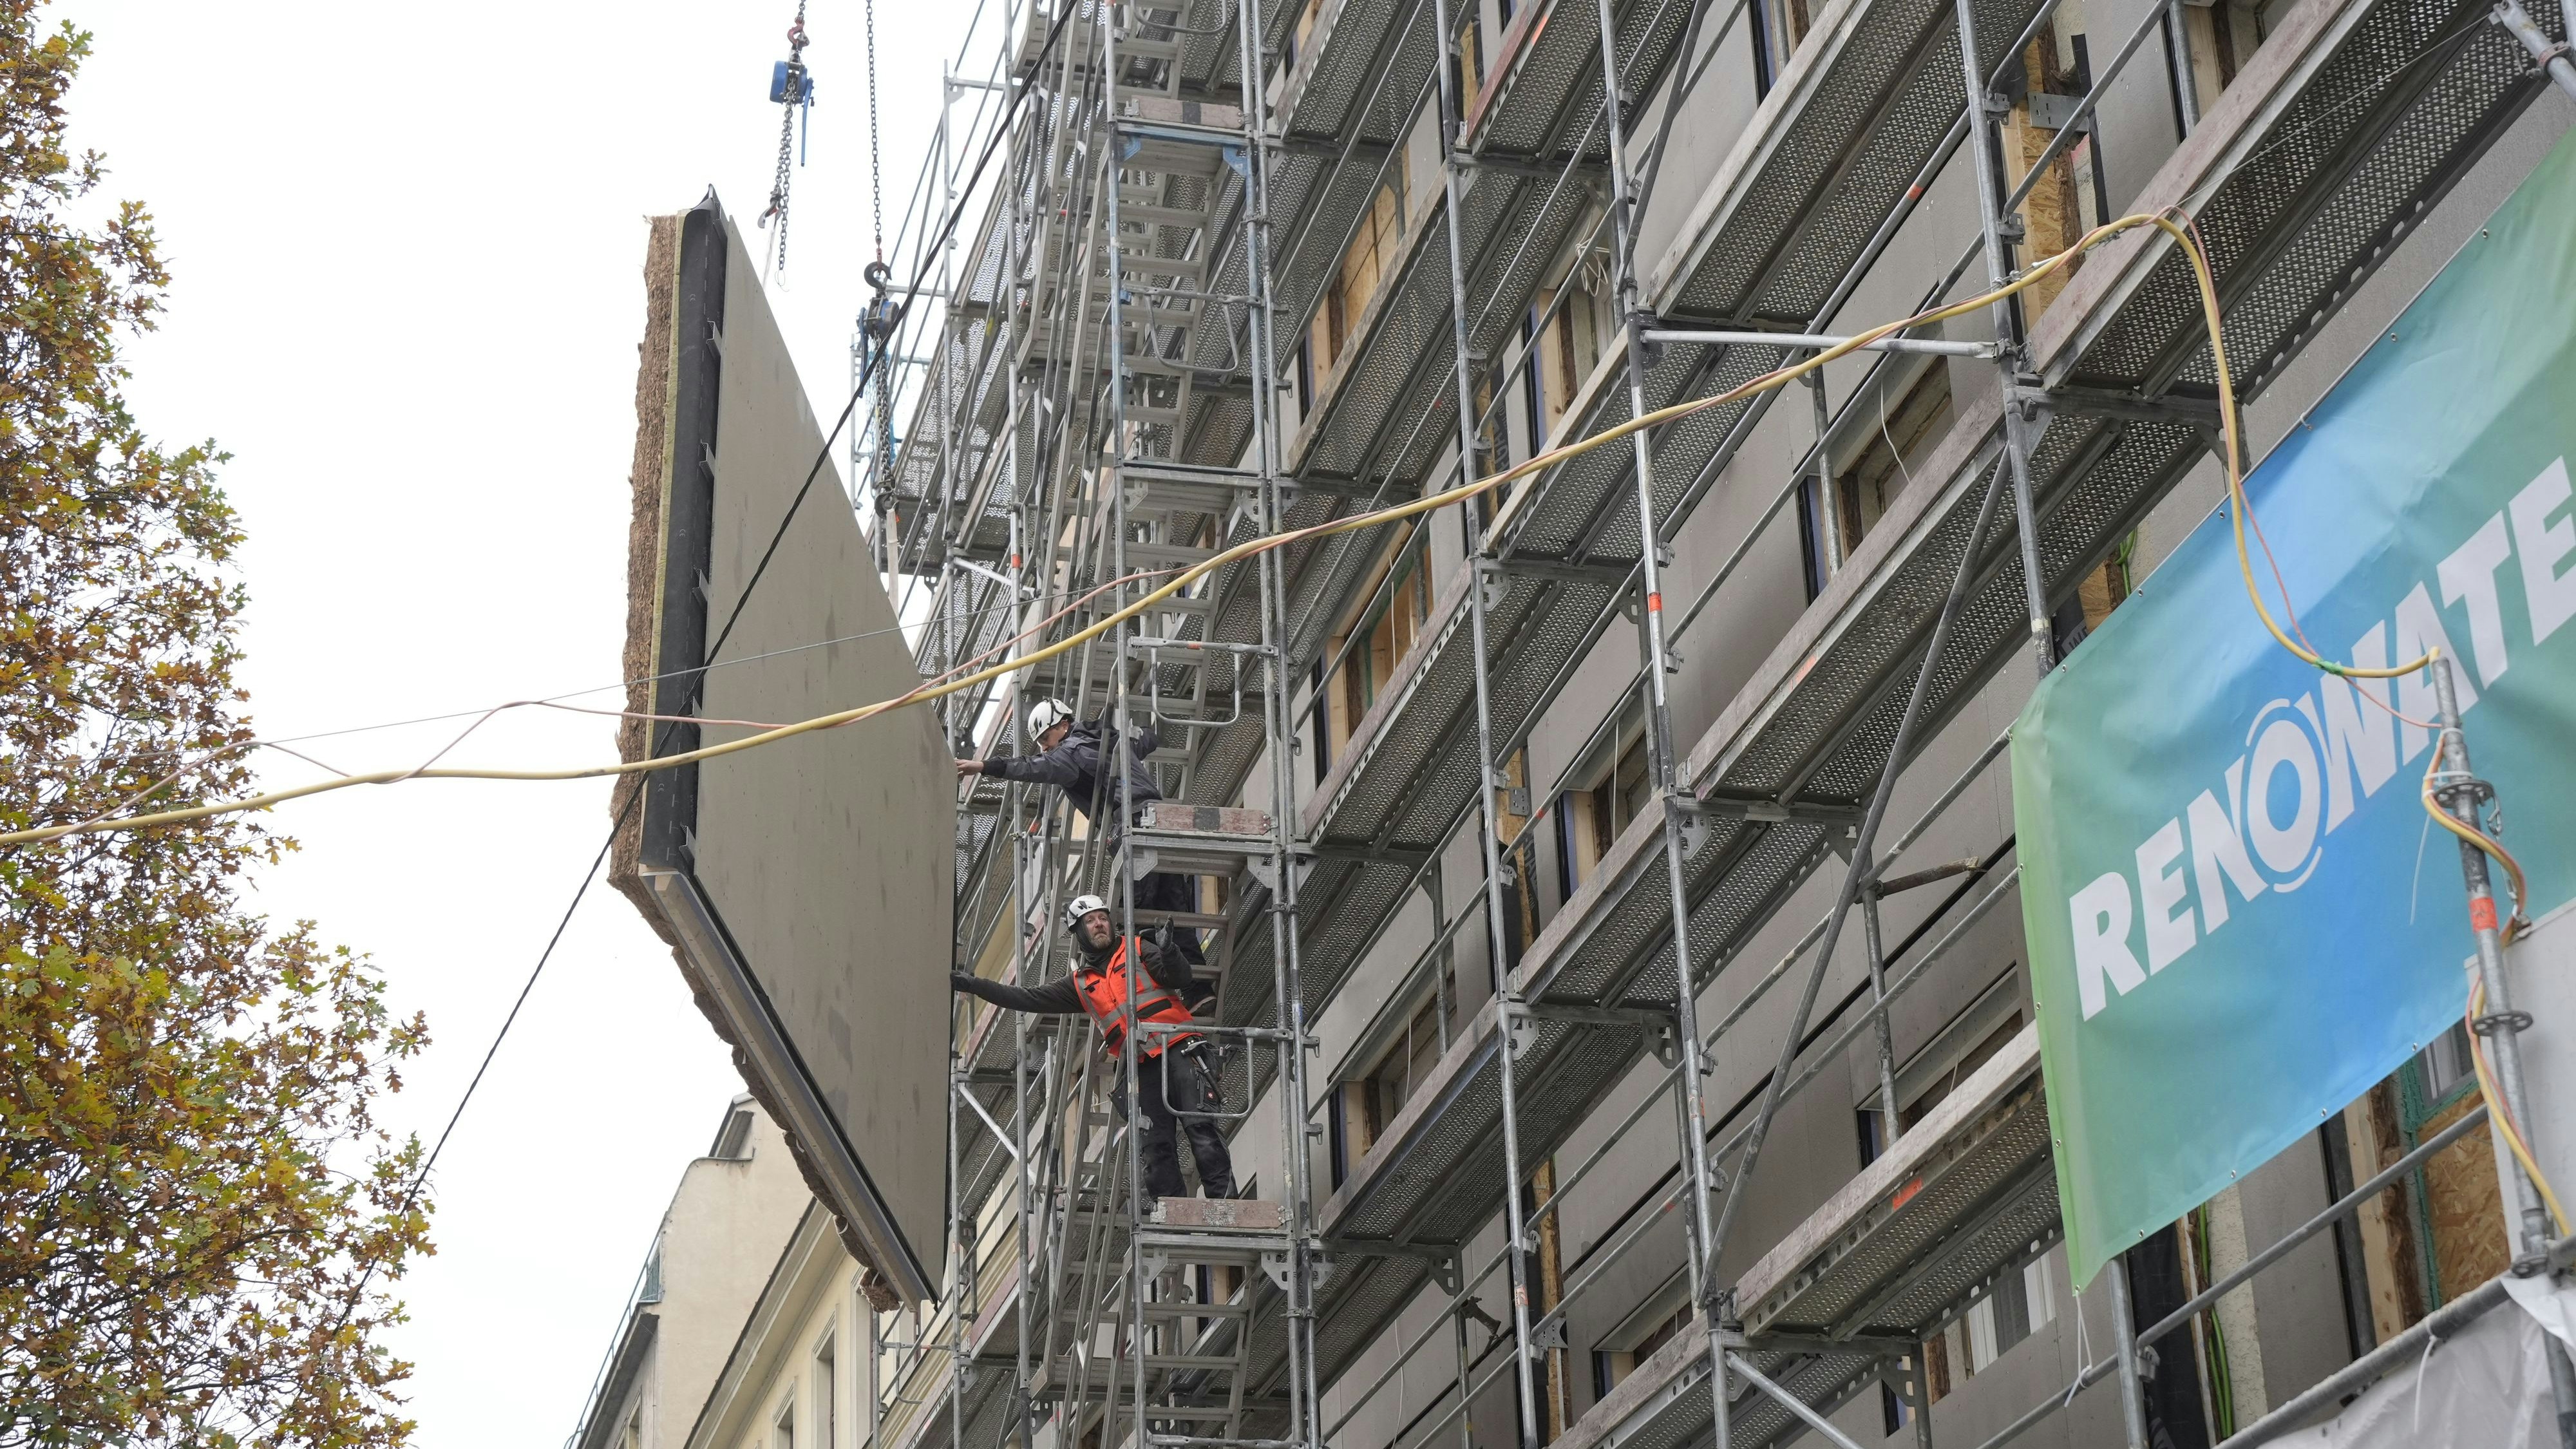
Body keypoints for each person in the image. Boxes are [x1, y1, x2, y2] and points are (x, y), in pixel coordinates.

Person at [951, 895, 1236, 1201]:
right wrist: (974, 985)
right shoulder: (1080, 983)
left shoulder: (1139, 948)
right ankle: (1174, 1217)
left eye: (1102, 918)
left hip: (1179, 1049)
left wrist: (1169, 951)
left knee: (1202, 1131)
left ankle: (1227, 1207)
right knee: (1155, 1149)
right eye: (1090, 921)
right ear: (1079, 932)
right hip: (1141, 1067)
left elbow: (1181, 977)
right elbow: (1026, 998)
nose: (1099, 924)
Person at [959, 697, 1210, 981]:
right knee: (1175, 908)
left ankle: (1143, 983)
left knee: (1138, 911)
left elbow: (1030, 768)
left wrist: (982, 766)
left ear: (1064, 726)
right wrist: (1145, 725)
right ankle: (1199, 990)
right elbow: (1147, 740)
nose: (1044, 747)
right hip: (1161, 821)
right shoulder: (1110, 741)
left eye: (1045, 737)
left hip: (1133, 825)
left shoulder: (1069, 753)